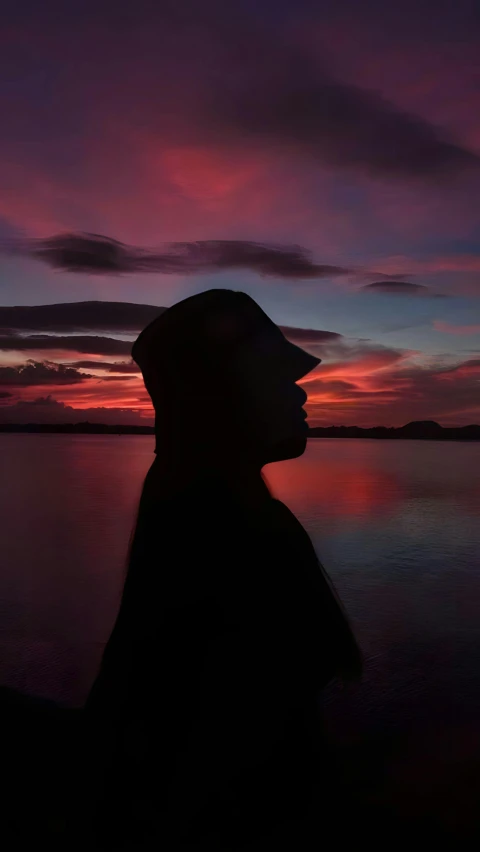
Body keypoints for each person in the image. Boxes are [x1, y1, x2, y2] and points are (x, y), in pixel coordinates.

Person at [81, 289, 362, 850]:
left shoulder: (183, 501)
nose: (300, 390)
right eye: (277, 375)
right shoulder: (241, 524)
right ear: (227, 396)